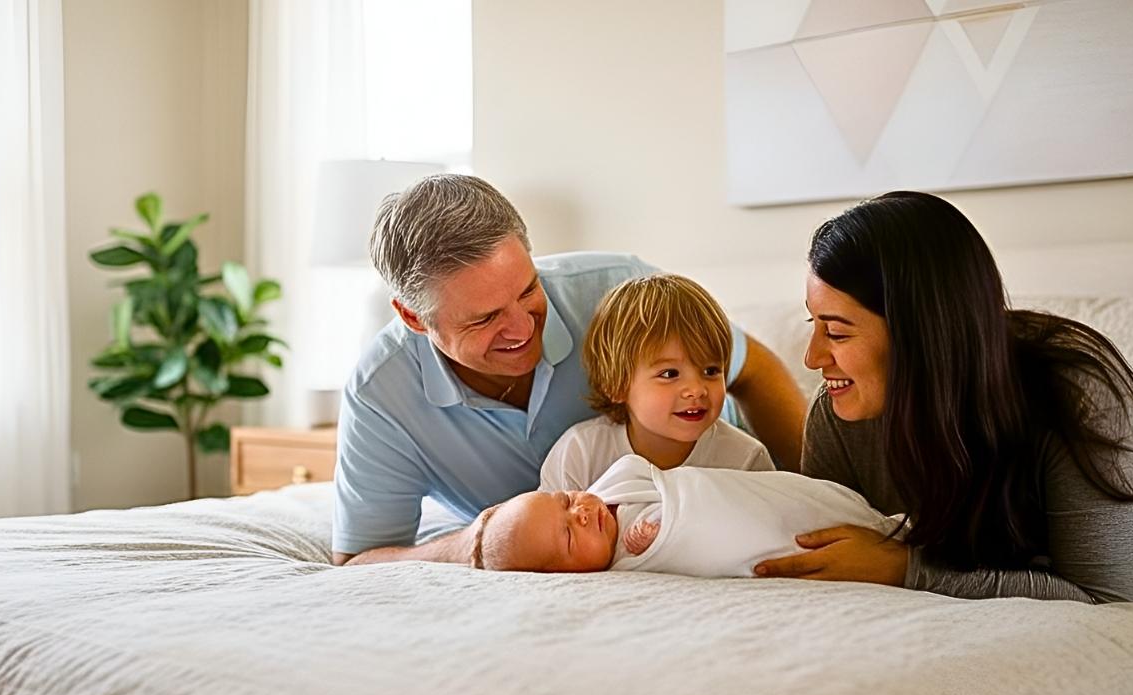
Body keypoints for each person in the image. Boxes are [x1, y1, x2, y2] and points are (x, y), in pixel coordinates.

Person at [753, 190, 1133, 603]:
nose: (812, 358)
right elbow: (829, 551)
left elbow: (1111, 596)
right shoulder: (837, 415)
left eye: (835, 332)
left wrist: (903, 569)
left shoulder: (1080, 399)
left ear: (920, 333)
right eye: (811, 323)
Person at [333, 174, 808, 566]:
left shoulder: (621, 292)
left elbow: (754, 369)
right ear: (414, 317)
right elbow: (359, 561)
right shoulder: (381, 395)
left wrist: (823, 490)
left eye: (527, 290)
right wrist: (477, 542)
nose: (522, 330)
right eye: (484, 318)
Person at [473, 455, 899, 577]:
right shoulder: (622, 561)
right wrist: (652, 538)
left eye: (566, 500)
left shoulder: (611, 489)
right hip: (748, 533)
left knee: (797, 502)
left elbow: (641, 471)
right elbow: (692, 535)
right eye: (568, 537)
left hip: (755, 499)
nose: (582, 513)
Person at [539, 273, 774, 494]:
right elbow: (543, 533)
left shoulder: (746, 460)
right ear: (617, 385)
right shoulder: (580, 454)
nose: (696, 390)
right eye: (670, 374)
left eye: (711, 371)